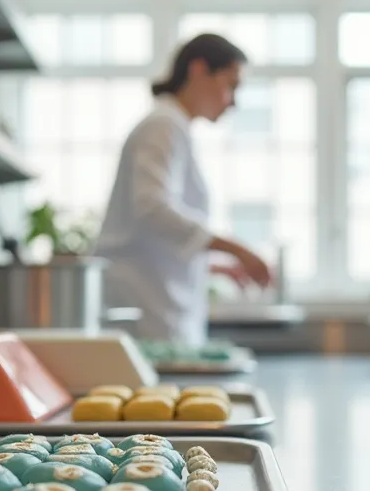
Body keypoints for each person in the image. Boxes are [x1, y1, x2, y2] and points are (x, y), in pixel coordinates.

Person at [93, 33, 273, 347]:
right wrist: (237, 250)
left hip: (156, 304)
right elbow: (152, 208)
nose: (232, 101)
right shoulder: (163, 125)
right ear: (199, 69)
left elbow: (155, 239)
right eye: (230, 85)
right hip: (146, 307)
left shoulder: (172, 126)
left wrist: (215, 267)